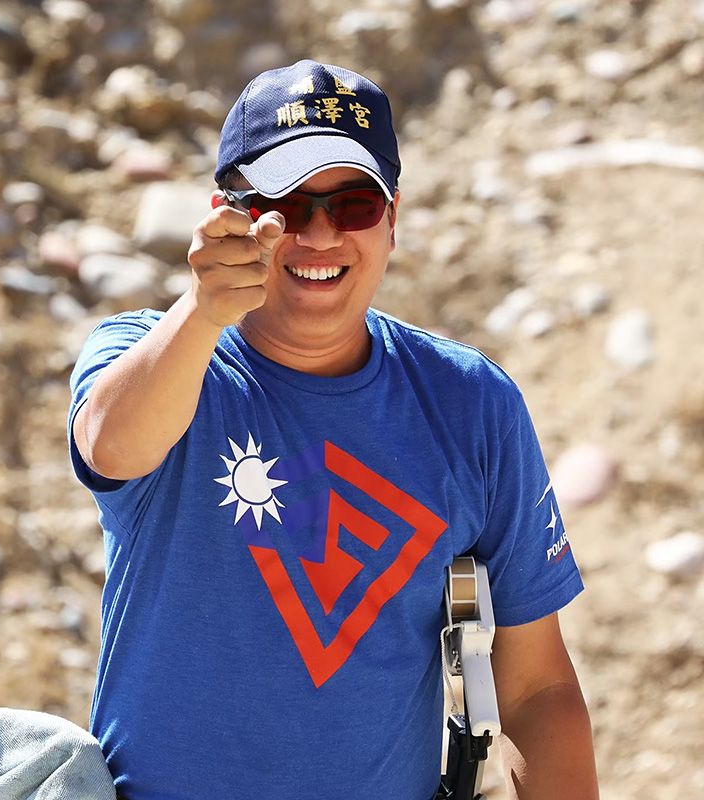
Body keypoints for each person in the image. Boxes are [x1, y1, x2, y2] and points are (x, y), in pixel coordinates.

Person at [67, 60, 598, 799]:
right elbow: (112, 445)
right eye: (284, 205)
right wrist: (202, 311)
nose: (319, 234)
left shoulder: (472, 403)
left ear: (392, 221)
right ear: (226, 214)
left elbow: (537, 689)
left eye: (352, 205)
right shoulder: (150, 354)